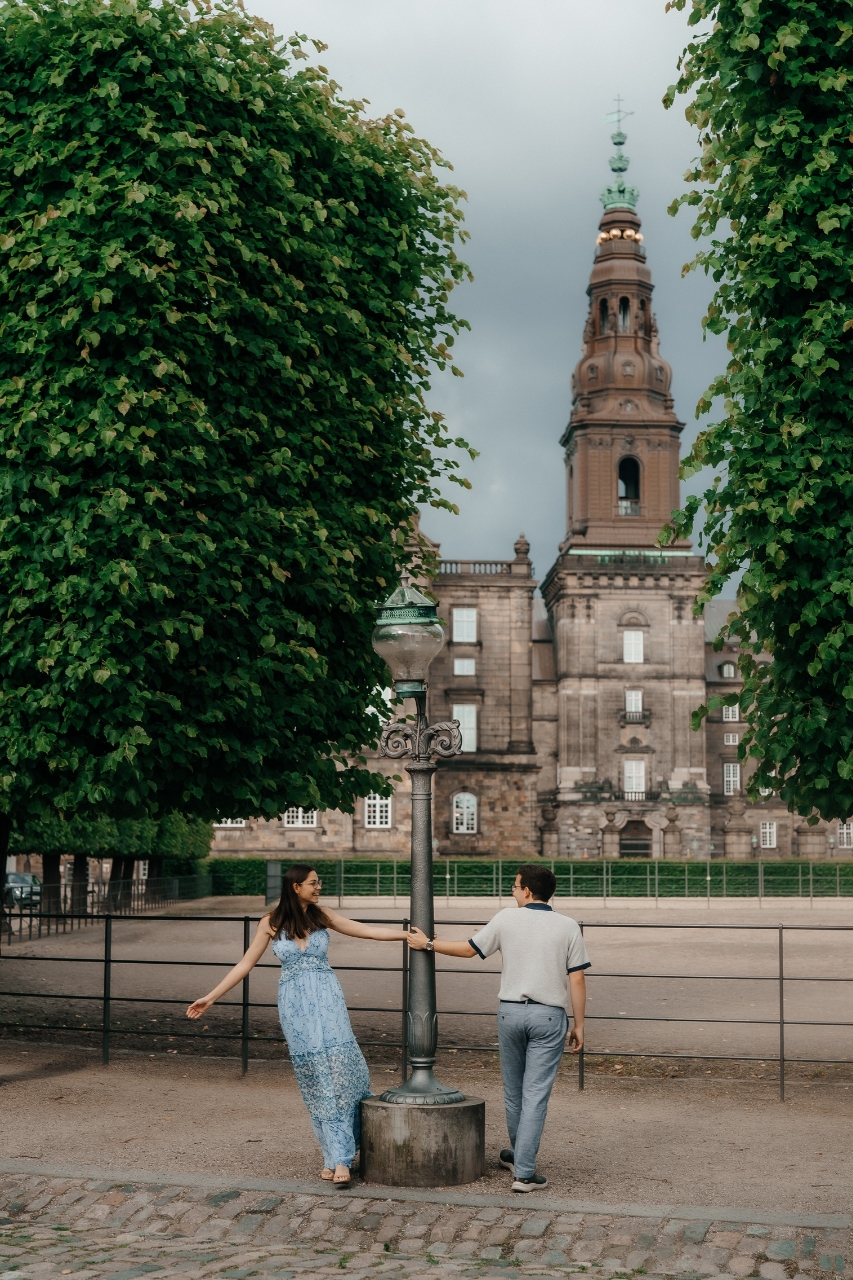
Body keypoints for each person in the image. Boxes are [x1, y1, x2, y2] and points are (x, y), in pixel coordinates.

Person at [187, 862, 414, 1187]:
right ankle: (336, 1158)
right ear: (296, 886)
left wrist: (403, 934)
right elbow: (245, 963)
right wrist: (210, 997)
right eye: (313, 883)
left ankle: (340, 1155)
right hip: (295, 1006)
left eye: (318, 882)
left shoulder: (322, 916)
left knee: (344, 1072)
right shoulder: (271, 922)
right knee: (316, 1077)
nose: (318, 887)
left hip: (328, 999)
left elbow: (365, 929)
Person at [408, 863, 588, 1192]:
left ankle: (520, 1158)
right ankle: (524, 1170)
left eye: (516, 886)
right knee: (536, 1095)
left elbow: (468, 950)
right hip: (548, 1016)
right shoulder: (568, 926)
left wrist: (428, 944)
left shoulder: (506, 918)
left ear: (528, 892)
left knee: (514, 1093)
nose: (513, 891)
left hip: (510, 1013)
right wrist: (579, 1025)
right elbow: (577, 978)